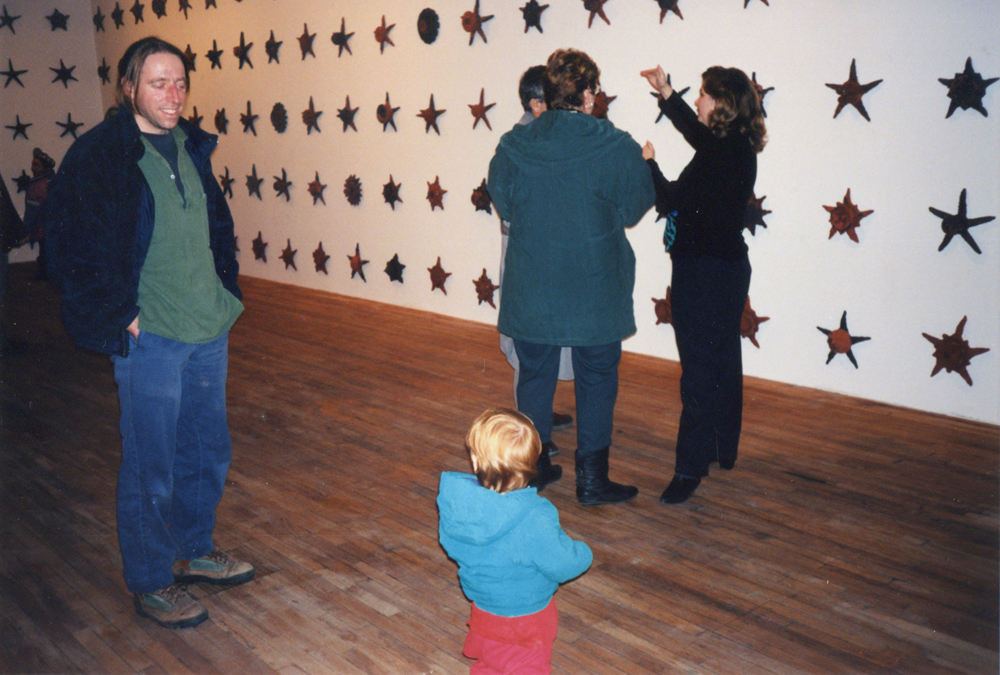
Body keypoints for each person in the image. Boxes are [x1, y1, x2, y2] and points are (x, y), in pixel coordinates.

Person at [43, 37, 253, 629]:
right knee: (149, 463)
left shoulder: (191, 143)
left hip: (207, 324)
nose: (173, 94)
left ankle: (193, 550)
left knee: (207, 450)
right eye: (159, 83)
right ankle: (152, 578)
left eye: (180, 82)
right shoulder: (99, 154)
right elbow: (66, 244)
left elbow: (214, 224)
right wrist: (120, 313)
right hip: (151, 333)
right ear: (129, 86)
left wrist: (226, 288)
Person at [488, 48, 655, 506]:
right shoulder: (615, 144)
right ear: (588, 93)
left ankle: (535, 468)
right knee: (597, 376)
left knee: (534, 375)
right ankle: (592, 480)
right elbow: (635, 206)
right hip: (594, 287)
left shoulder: (514, 144)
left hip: (533, 284)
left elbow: (504, 201)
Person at [640, 64, 767, 504]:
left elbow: (670, 200)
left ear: (721, 104)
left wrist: (649, 165)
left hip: (702, 273)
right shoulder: (734, 147)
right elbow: (695, 131)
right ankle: (720, 449)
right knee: (722, 361)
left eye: (703, 95)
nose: (697, 101)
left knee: (698, 371)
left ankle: (689, 469)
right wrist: (666, 91)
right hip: (727, 269)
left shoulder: (721, 151)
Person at [438, 408, 592, 675]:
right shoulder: (534, 516)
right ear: (532, 463)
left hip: (484, 611)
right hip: (527, 618)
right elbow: (562, 564)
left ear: (475, 462)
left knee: (490, 664)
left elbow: (452, 545)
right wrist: (583, 553)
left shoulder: (458, 506)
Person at [497, 64, 574, 491]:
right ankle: (532, 437)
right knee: (530, 348)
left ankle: (540, 418)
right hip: (529, 256)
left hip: (538, 255)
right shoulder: (521, 143)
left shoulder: (536, 138)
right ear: (536, 103)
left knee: (541, 346)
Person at [23, 148, 55, 280]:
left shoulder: (41, 185)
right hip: (44, 223)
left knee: (45, 249)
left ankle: (45, 273)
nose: (33, 168)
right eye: (33, 165)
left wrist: (27, 227)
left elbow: (34, 210)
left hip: (43, 223)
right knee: (45, 248)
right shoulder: (42, 182)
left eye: (37, 165)